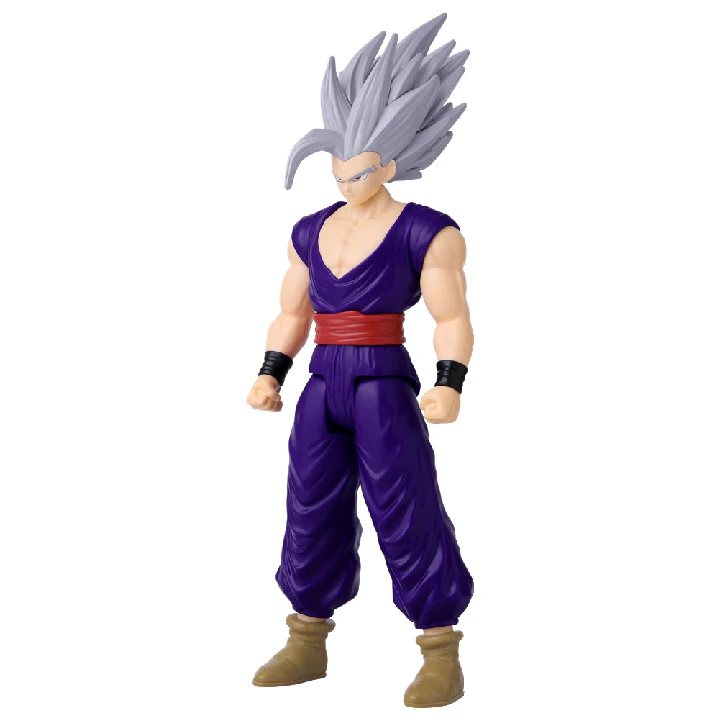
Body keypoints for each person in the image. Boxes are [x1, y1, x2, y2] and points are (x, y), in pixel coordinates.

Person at [246, 14, 474, 708]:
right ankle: (306, 636)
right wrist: (270, 371)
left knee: (405, 504)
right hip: (322, 381)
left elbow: (452, 318)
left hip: (382, 379)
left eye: (363, 167)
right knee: (309, 502)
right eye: (338, 166)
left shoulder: (427, 231)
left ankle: (440, 647)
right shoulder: (311, 230)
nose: (347, 178)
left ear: (392, 163)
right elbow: (293, 312)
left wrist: (449, 384)